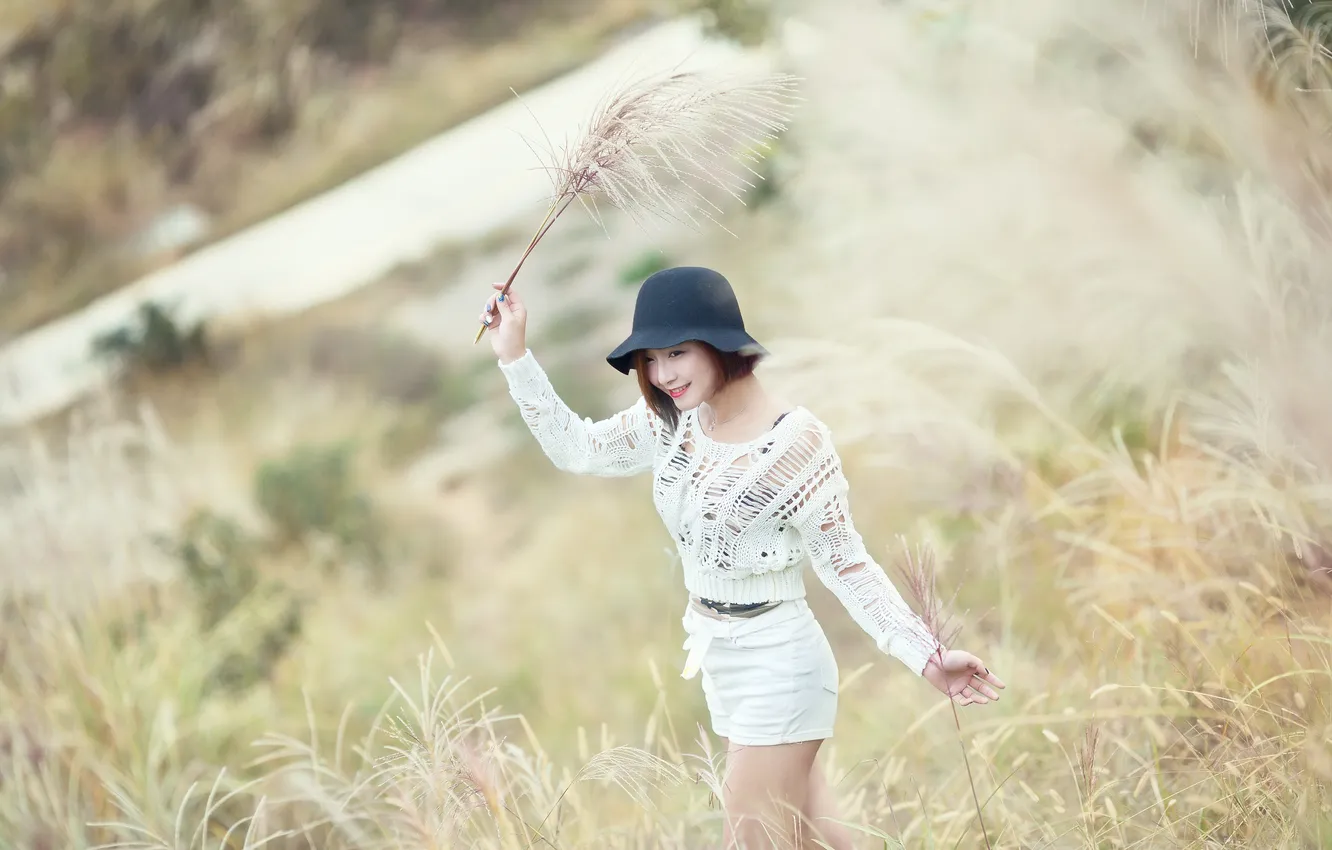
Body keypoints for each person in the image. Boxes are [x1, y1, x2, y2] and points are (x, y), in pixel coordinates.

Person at [479, 266, 1005, 849]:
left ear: (719, 342)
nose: (662, 373)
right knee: (820, 841)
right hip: (720, 662)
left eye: (677, 352)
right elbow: (577, 449)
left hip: (779, 665)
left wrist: (927, 656)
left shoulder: (795, 443)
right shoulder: (672, 424)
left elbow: (846, 564)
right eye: (650, 358)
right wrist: (515, 355)